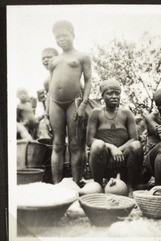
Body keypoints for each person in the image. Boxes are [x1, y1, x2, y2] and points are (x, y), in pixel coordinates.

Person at [48, 20, 92, 184]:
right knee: (57, 144)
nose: (61, 39)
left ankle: (75, 184)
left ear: (72, 34)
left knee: (74, 145)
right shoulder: (54, 61)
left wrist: (83, 104)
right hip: (55, 103)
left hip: (74, 103)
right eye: (57, 37)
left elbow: (88, 81)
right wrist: (46, 113)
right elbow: (50, 89)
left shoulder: (82, 56)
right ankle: (56, 186)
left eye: (64, 35)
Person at [86, 80, 143, 196]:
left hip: (122, 160)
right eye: (110, 93)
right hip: (103, 159)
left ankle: (130, 185)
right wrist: (111, 148)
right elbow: (89, 140)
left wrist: (119, 151)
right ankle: (98, 184)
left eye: (117, 93)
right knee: (97, 145)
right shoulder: (96, 113)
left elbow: (134, 138)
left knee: (136, 146)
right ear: (102, 95)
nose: (114, 96)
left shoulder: (126, 113)